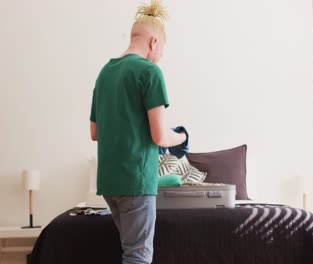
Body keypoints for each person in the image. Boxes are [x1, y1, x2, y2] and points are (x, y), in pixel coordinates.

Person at [89, 1, 186, 263]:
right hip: (136, 181)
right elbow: (159, 136)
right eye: (161, 52)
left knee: (130, 252)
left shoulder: (105, 73)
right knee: (138, 257)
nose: (159, 58)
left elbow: (95, 132)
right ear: (154, 42)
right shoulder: (150, 71)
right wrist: (182, 137)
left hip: (110, 182)